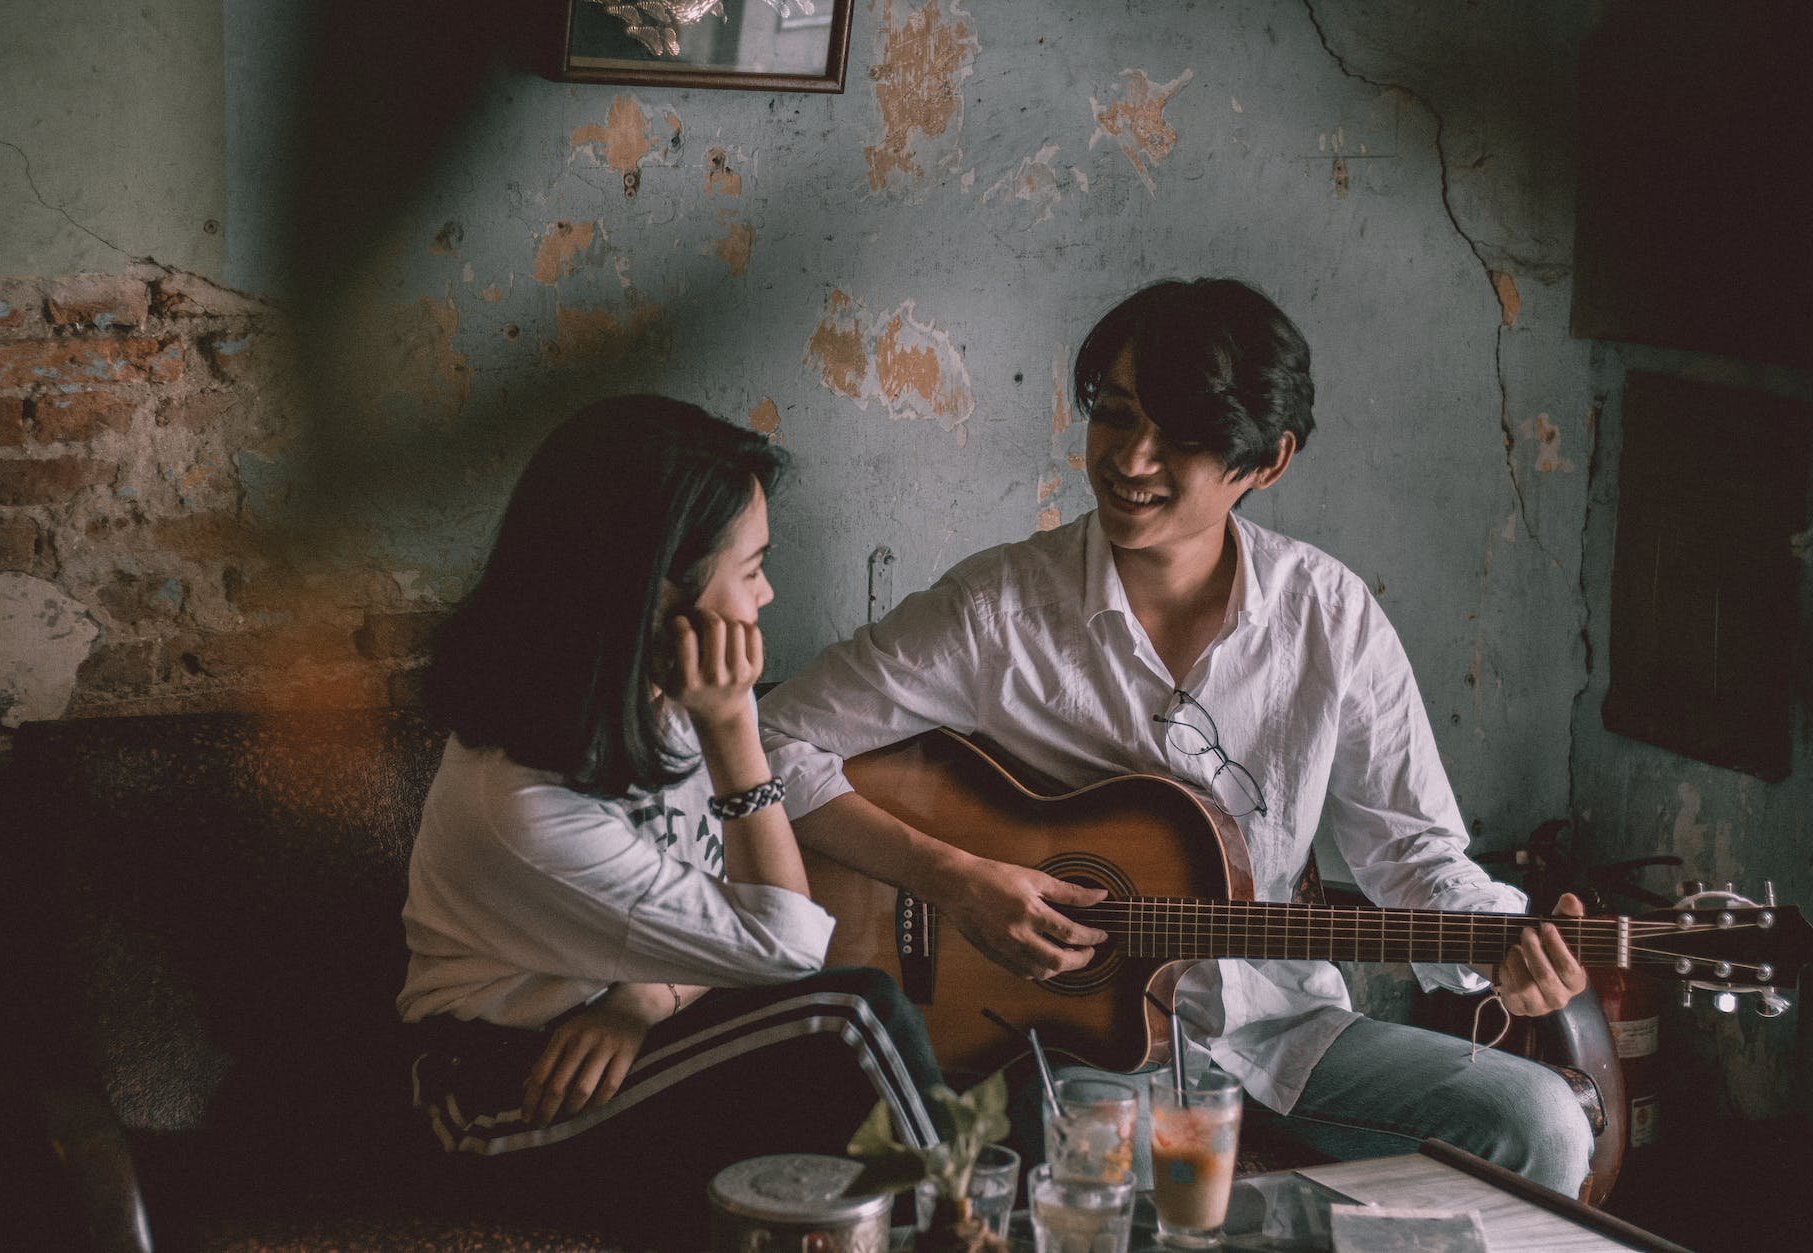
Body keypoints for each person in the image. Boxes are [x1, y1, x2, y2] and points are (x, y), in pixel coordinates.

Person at [758, 279, 1596, 1195]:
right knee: (1122, 1193)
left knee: (1538, 1121)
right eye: (1116, 416)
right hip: (1079, 1052)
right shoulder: (999, 611)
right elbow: (771, 742)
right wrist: (957, 882)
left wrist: (1498, 940)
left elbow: (1412, 855)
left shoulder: (1329, 615)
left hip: (1291, 1036)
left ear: (1265, 462)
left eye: (1185, 438)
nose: (1132, 459)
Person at [397, 395, 942, 1242]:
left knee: (1007, 1091)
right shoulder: (518, 806)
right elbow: (790, 948)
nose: (769, 591)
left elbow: (752, 920)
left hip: (642, 1031)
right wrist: (733, 728)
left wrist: (646, 994)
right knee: (851, 1018)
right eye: (752, 564)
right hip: (507, 1090)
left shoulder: (658, 689)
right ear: (659, 586)